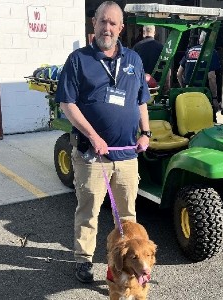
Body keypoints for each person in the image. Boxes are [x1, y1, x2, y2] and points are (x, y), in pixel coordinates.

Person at [55, 1, 151, 283]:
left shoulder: (133, 60)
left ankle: (127, 264)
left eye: (113, 23)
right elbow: (67, 104)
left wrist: (145, 132)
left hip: (126, 156)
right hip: (92, 156)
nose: (106, 28)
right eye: (102, 22)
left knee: (128, 218)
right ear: (93, 23)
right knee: (89, 210)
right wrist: (93, 136)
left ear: (121, 28)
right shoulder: (78, 60)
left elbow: (141, 100)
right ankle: (83, 260)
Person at [177, 30, 221, 120]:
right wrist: (214, 98)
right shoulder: (211, 52)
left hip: (188, 93)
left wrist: (184, 87)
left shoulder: (190, 51)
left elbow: (178, 74)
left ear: (200, 39)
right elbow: (211, 77)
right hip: (203, 95)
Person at [133, 25, 170, 92]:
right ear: (154, 32)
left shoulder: (136, 47)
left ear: (143, 32)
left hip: (140, 84)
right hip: (157, 85)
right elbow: (167, 67)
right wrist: (167, 84)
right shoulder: (161, 47)